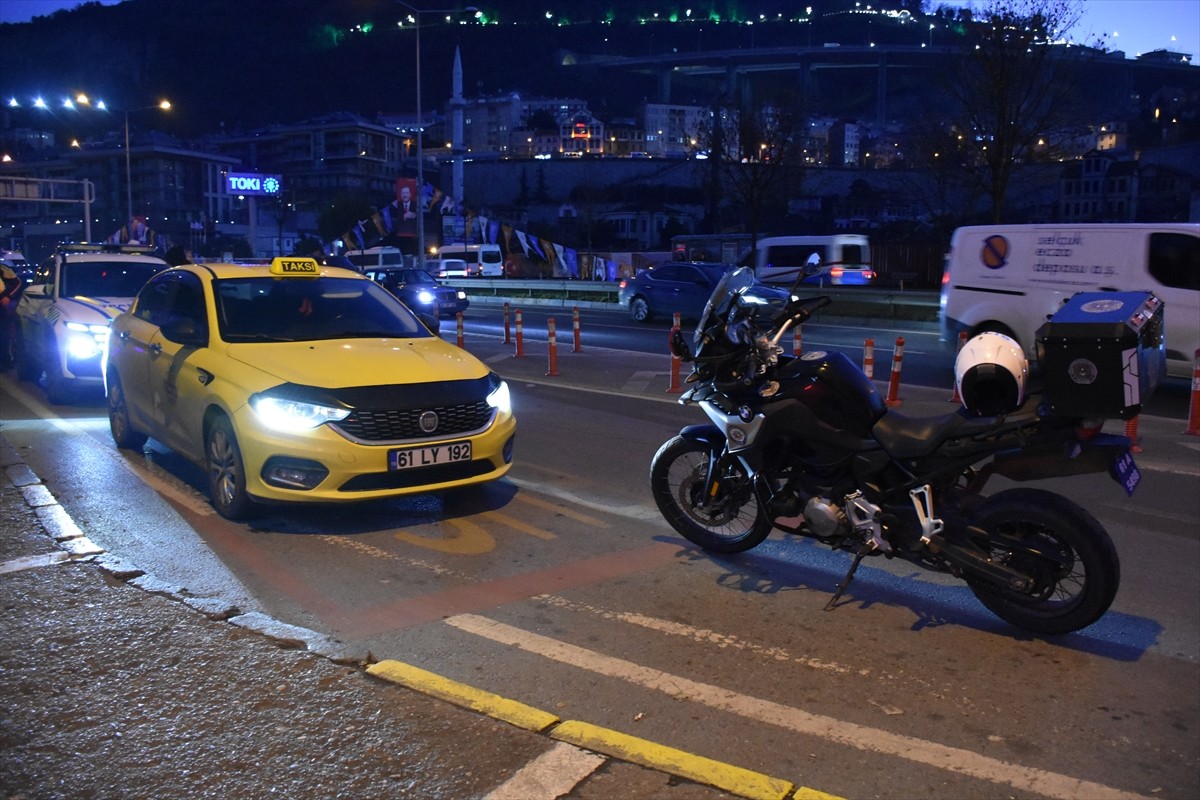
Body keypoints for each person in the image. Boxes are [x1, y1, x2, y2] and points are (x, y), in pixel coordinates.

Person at [0, 261, 23, 369]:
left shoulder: (2, 269)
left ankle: (5, 361)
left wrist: (8, 296)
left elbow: (17, 283)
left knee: (2, 334)